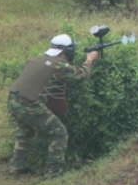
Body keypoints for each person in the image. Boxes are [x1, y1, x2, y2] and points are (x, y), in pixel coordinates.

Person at [6, 34, 98, 177]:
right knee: (59, 133)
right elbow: (81, 75)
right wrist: (90, 59)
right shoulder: (58, 64)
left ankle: (17, 167)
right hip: (29, 103)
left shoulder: (37, 59)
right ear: (65, 51)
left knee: (26, 131)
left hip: (13, 100)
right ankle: (53, 172)